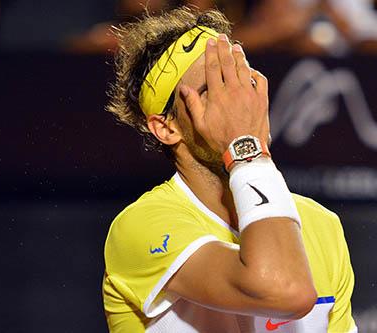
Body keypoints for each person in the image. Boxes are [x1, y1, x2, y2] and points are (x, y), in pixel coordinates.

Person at [103, 7, 357, 333]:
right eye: (214, 90)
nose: (240, 102)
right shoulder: (141, 226)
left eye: (242, 82)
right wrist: (245, 146)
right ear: (166, 128)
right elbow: (284, 289)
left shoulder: (322, 224)